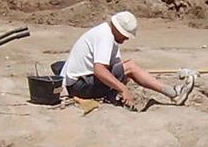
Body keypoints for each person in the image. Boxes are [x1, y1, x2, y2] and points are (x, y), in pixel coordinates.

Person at [61, 11, 194, 108]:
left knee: (125, 68)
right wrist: (123, 89)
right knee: (130, 66)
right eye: (125, 35)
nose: (126, 39)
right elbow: (99, 70)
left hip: (79, 83)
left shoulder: (107, 34)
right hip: (78, 87)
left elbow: (115, 66)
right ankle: (174, 93)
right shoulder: (105, 37)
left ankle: (111, 97)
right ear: (118, 29)